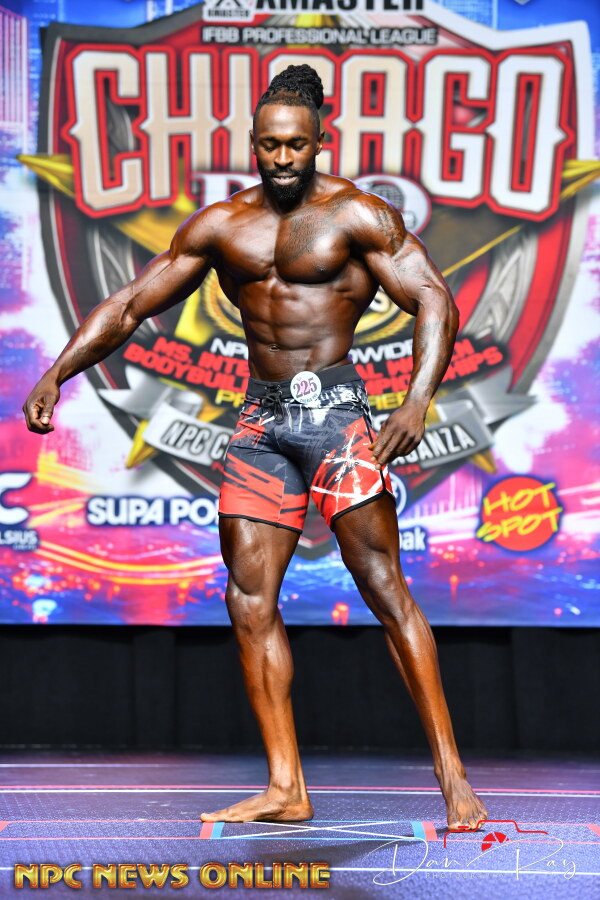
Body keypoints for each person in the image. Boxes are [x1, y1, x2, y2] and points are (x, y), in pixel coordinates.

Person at [24, 64, 488, 831]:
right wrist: (58, 371)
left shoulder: (357, 214)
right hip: (262, 424)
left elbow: (433, 296)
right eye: (269, 145)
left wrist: (416, 399)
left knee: (383, 586)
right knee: (247, 599)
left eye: (295, 145)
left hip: (336, 418)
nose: (282, 158)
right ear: (253, 143)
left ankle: (452, 774)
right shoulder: (222, 225)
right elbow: (132, 303)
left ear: (319, 140)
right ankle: (285, 786)